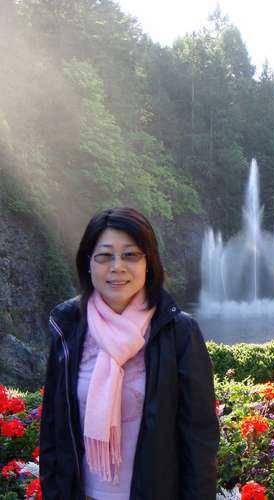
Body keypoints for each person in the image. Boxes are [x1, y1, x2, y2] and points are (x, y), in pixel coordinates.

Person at [40, 207, 220, 500]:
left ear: (149, 262)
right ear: (88, 263)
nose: (117, 266)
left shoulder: (178, 332)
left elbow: (199, 437)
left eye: (130, 255)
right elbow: (52, 427)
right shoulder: (68, 326)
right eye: (104, 256)